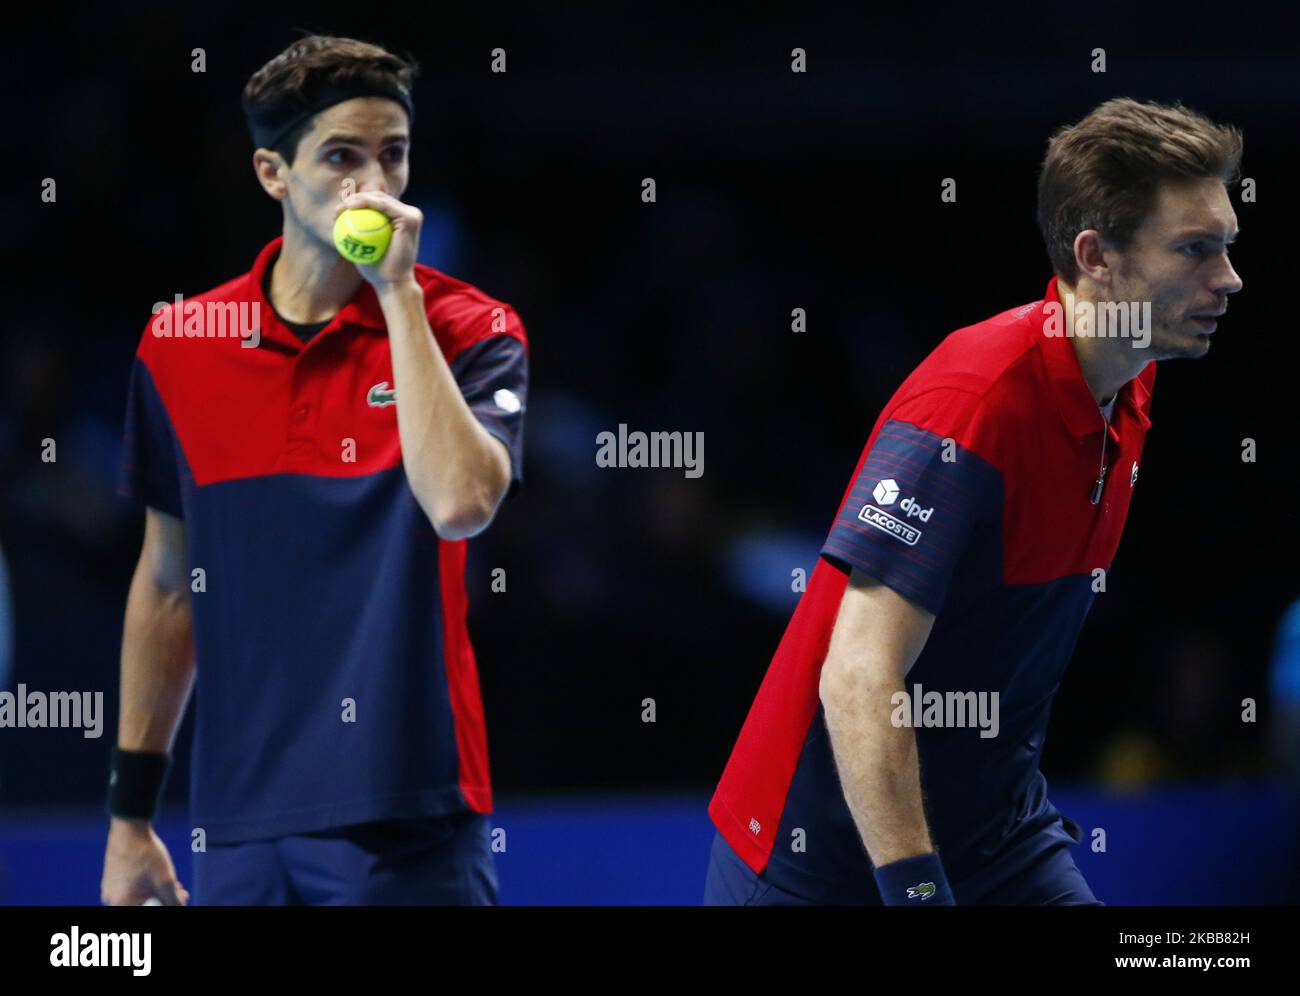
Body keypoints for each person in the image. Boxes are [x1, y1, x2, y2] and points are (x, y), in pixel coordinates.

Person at [705, 97, 1242, 905]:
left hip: (999, 840)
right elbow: (858, 674)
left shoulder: (1129, 389)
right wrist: (919, 893)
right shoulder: (972, 404)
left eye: (1227, 246)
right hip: (824, 859)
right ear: (1097, 256)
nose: (1228, 278)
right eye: (1196, 250)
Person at [100, 34, 527, 905]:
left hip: (410, 818)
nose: (372, 185)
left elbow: (459, 503)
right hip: (237, 822)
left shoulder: (473, 330)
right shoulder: (182, 344)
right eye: (341, 156)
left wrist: (397, 294)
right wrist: (129, 819)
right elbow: (168, 583)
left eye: (392, 156)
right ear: (272, 174)